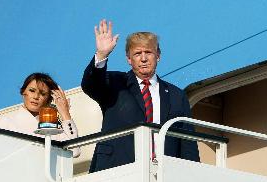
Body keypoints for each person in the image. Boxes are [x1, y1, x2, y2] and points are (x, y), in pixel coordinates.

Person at [82, 20, 199, 172]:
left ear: (158, 56)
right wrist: (101, 55)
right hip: (117, 170)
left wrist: (193, 177)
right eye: (137, 53)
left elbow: (187, 143)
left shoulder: (177, 95)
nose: (143, 58)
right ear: (129, 59)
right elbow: (91, 85)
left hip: (164, 173)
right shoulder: (115, 83)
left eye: (148, 52)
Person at [0, 72, 79, 141]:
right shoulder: (7, 122)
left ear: (48, 100)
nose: (36, 96)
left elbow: (74, 151)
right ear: (23, 92)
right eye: (32, 91)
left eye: (42, 93)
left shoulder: (53, 128)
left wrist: (65, 113)